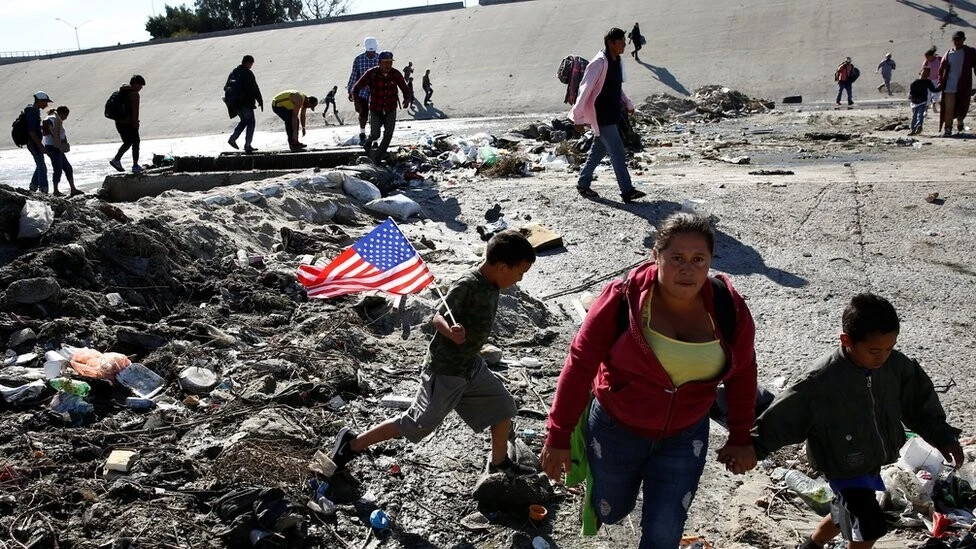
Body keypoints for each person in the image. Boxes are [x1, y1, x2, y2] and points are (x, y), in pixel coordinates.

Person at [540, 213, 759, 548]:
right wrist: (558, 435)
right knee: (611, 509)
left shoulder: (729, 308)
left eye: (698, 259)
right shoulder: (624, 298)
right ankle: (609, 501)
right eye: (676, 258)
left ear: (710, 262)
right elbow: (580, 362)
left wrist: (741, 435)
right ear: (656, 257)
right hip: (617, 426)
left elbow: (743, 373)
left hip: (686, 436)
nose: (688, 269)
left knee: (664, 531)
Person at [753, 293, 964, 549]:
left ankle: (810, 545)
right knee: (869, 523)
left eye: (890, 348)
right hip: (841, 461)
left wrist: (943, 437)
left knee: (846, 512)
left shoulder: (897, 368)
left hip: (872, 458)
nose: (882, 357)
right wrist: (751, 447)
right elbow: (783, 416)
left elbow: (919, 405)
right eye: (874, 350)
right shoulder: (821, 380)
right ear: (847, 340)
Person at [328, 230, 537, 478]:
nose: (520, 279)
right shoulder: (468, 285)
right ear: (502, 267)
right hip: (446, 370)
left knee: (503, 407)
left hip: (470, 365)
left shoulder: (492, 283)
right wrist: (451, 331)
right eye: (520, 273)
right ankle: (351, 444)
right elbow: (437, 317)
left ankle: (498, 463)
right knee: (417, 423)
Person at [569, 27, 646, 203]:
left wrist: (627, 102)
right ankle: (627, 190)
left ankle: (583, 182)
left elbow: (616, 87)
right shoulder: (599, 63)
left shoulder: (617, 61)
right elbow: (584, 90)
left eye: (624, 43)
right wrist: (578, 118)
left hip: (613, 114)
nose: (624, 46)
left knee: (598, 150)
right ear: (610, 43)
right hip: (601, 115)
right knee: (618, 152)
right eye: (620, 43)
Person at [352, 51, 411, 163]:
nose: (388, 65)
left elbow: (405, 89)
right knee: (375, 134)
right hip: (375, 108)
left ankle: (377, 158)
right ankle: (368, 141)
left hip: (390, 108)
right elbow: (356, 88)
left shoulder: (395, 74)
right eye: (385, 63)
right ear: (379, 63)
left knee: (388, 134)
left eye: (390, 62)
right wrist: (357, 102)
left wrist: (407, 99)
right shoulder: (372, 73)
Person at [938, 30, 976, 137]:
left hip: (963, 86)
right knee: (948, 108)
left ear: (964, 40)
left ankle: (960, 120)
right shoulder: (948, 54)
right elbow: (941, 71)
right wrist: (940, 82)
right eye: (955, 40)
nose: (957, 42)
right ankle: (948, 128)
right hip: (949, 86)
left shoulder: (970, 52)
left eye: (959, 40)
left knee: (962, 106)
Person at [227, 55, 264, 153]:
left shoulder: (234, 72)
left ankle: (233, 138)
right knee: (251, 122)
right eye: (251, 63)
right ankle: (248, 145)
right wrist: (260, 101)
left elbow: (226, 87)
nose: (251, 66)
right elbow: (254, 88)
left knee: (244, 121)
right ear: (247, 62)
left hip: (234, 103)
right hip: (245, 103)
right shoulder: (248, 73)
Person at [109, 74, 146, 174]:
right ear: (136, 84)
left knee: (128, 142)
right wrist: (135, 124)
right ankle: (135, 165)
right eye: (140, 85)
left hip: (119, 122)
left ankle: (116, 160)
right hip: (129, 123)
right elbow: (135, 111)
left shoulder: (122, 91)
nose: (141, 88)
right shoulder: (134, 94)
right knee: (136, 142)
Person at [347, 36, 380, 146]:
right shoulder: (358, 59)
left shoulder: (380, 59)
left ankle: (374, 137)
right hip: (362, 90)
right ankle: (362, 133)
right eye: (370, 51)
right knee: (363, 113)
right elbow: (354, 75)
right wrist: (351, 91)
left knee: (376, 115)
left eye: (373, 51)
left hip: (377, 90)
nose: (371, 53)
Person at [42, 106, 81, 196]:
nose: (66, 118)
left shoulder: (57, 119)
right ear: (62, 113)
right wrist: (51, 134)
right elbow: (45, 125)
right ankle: (56, 190)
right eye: (65, 115)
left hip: (57, 147)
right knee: (58, 169)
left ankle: (73, 188)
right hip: (53, 147)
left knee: (68, 168)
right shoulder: (53, 118)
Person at [24, 91, 53, 193]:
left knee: (40, 165)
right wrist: (40, 145)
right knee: (42, 167)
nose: (47, 104)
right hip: (33, 143)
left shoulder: (34, 111)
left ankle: (33, 187)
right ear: (40, 101)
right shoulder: (32, 112)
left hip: (34, 142)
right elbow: (31, 131)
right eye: (45, 102)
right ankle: (43, 190)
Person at [909, 67, 938, 135]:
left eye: (927, 73)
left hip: (923, 101)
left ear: (928, 75)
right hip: (915, 102)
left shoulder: (928, 82)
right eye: (924, 72)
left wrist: (940, 87)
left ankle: (919, 126)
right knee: (914, 116)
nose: (925, 74)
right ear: (920, 73)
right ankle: (913, 130)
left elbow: (933, 90)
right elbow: (911, 93)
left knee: (920, 115)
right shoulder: (915, 83)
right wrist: (911, 97)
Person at [923, 47, 943, 112]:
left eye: (928, 57)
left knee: (936, 94)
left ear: (932, 56)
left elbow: (945, 67)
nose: (927, 59)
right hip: (928, 80)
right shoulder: (926, 62)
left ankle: (934, 105)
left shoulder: (939, 59)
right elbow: (924, 72)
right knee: (927, 94)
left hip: (937, 79)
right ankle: (926, 108)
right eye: (926, 58)